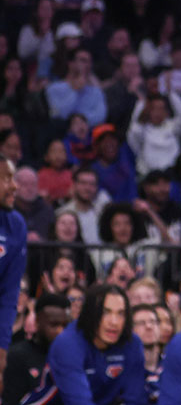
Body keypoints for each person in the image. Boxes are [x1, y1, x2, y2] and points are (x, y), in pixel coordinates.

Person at [46, 284, 145, 405]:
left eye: (121, 313)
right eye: (105, 312)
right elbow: (78, 402)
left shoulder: (132, 343)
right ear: (89, 313)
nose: (114, 322)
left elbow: (135, 399)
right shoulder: (67, 344)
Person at [2, 294, 70, 405]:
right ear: (37, 321)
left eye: (64, 326)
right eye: (54, 325)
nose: (60, 331)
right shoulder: (16, 356)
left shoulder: (72, 357)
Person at [0, 160, 26, 393]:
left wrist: (2, 349)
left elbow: (9, 295)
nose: (15, 186)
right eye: (7, 178)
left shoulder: (15, 225)